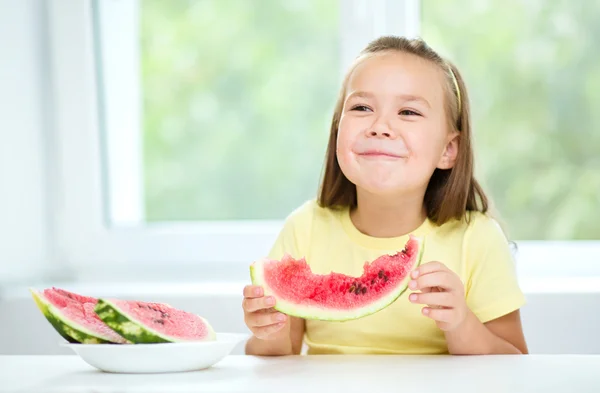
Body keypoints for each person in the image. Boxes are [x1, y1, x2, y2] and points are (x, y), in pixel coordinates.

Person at [242, 35, 528, 356]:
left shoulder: (477, 239)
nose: (380, 126)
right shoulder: (305, 228)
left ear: (448, 150)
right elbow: (281, 355)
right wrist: (268, 329)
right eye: (362, 107)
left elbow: (513, 360)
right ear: (337, 131)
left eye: (408, 112)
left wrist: (461, 323)